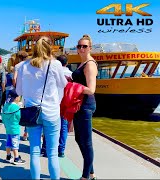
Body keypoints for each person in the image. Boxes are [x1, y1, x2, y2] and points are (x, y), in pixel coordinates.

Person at [16, 37, 67, 179]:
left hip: (32, 113)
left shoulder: (24, 66)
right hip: (51, 112)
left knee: (34, 151)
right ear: (50, 49)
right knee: (52, 153)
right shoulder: (55, 64)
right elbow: (63, 84)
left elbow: (19, 92)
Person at [72, 34, 98, 180]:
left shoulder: (90, 64)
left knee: (86, 141)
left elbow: (91, 89)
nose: (81, 49)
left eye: (84, 46)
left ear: (90, 48)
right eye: (79, 46)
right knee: (78, 138)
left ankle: (85, 177)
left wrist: (73, 86)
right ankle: (91, 173)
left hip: (86, 105)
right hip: (78, 104)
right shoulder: (82, 63)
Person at [2, 90, 26, 165]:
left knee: (8, 143)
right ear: (16, 98)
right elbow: (19, 117)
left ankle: (8, 156)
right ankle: (16, 158)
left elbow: (2, 117)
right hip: (15, 128)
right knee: (15, 144)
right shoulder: (16, 107)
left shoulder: (5, 105)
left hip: (8, 128)